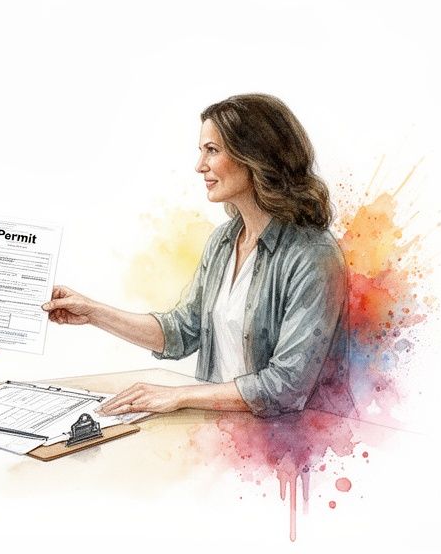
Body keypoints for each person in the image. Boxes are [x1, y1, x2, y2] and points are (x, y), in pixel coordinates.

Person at [43, 93, 351, 418]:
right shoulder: (223, 242)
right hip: (224, 431)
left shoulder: (313, 255)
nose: (200, 166)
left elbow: (286, 386)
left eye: (212, 150)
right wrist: (92, 313)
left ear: (255, 155)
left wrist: (180, 396)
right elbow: (182, 331)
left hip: (293, 442)